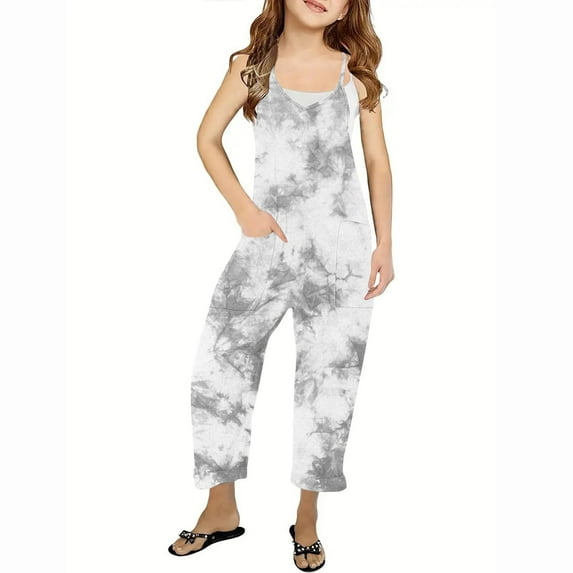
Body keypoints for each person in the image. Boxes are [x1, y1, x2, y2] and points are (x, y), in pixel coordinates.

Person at [168, 0, 393, 569]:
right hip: (267, 245)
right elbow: (207, 138)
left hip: (341, 253)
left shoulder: (355, 72)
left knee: (329, 386)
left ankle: (308, 516)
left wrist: (384, 243)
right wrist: (245, 211)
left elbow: (376, 158)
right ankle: (221, 508)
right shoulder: (251, 66)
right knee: (219, 365)